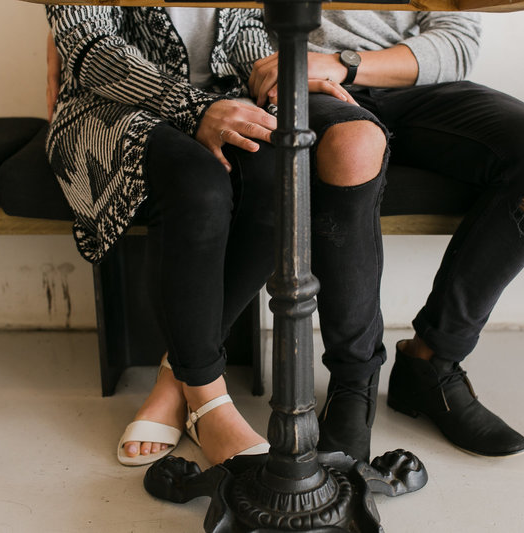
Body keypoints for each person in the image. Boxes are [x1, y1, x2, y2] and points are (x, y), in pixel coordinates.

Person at [45, 6, 387, 466]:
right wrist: (196, 108)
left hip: (224, 97)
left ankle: (175, 376)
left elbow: (244, 27)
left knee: (282, 171)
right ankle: (208, 400)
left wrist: (272, 77)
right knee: (199, 183)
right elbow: (90, 47)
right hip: (107, 107)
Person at [249, 10, 524, 459]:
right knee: (353, 144)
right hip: (302, 86)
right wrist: (286, 70)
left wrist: (347, 63)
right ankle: (353, 382)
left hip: (414, 85)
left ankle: (433, 362)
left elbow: (458, 42)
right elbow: (229, 27)